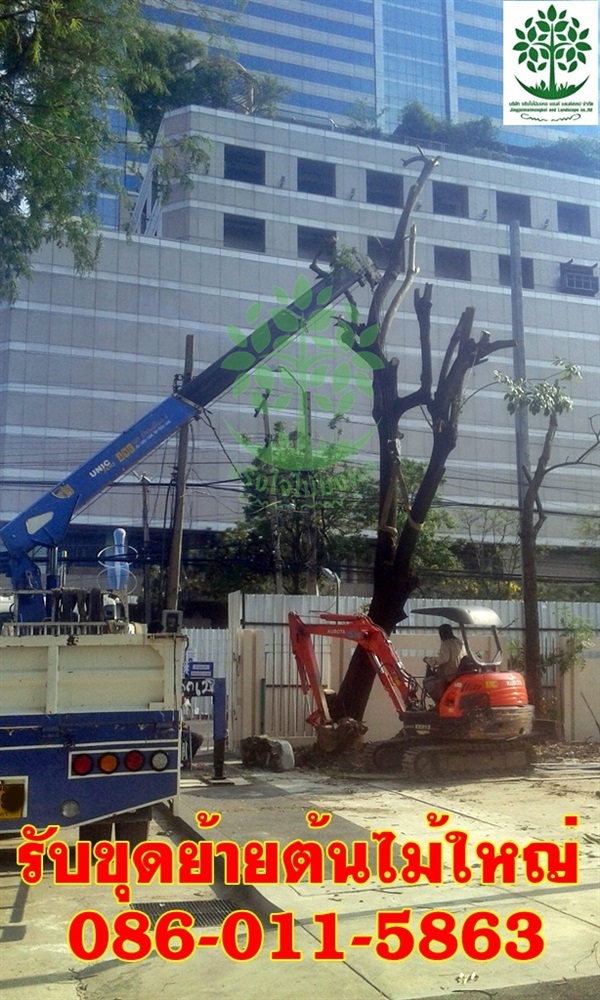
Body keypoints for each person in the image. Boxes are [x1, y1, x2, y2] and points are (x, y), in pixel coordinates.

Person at [423, 624, 466, 704]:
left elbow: (444, 658)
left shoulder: (446, 643)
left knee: (429, 682)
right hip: (458, 671)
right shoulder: (459, 642)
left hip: (450, 673)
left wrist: (430, 660)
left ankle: (440, 703)